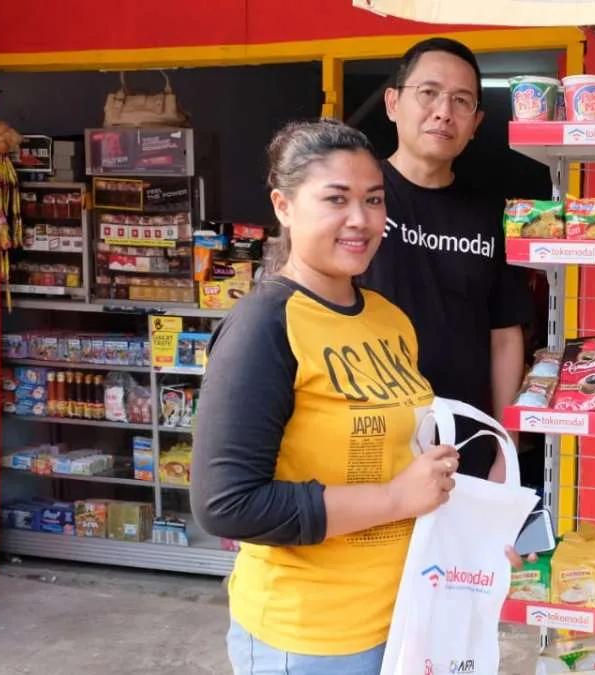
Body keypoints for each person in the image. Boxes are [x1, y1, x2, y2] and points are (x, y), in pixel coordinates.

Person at [190, 118, 521, 675]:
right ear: (284, 205)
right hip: (310, 638)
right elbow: (226, 504)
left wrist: (467, 536)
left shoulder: (389, 321)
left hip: (408, 615)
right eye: (336, 199)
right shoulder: (265, 326)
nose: (361, 220)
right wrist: (396, 498)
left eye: (374, 200)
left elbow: (398, 466)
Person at [358, 37, 534, 482]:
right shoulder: (357, 198)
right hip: (366, 434)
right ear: (393, 102)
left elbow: (504, 338)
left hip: (466, 443)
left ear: (475, 122)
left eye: (461, 101)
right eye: (429, 93)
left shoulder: (491, 215)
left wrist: (506, 446)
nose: (443, 111)